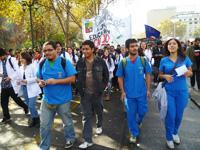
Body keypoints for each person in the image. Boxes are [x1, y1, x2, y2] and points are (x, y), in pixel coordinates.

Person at [37, 41, 76, 149]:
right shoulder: (42, 63)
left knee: (67, 123)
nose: (47, 52)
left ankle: (70, 138)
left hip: (63, 100)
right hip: (47, 100)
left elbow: (73, 78)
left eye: (50, 50)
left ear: (56, 50)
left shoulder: (64, 62)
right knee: (44, 126)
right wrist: (40, 82)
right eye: (45, 50)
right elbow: (38, 77)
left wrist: (55, 81)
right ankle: (44, 147)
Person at [158, 38, 193, 149]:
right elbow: (159, 74)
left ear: (178, 46)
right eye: (169, 44)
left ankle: (174, 133)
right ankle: (169, 137)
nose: (172, 45)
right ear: (167, 47)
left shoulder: (185, 58)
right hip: (169, 92)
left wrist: (188, 73)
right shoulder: (164, 60)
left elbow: (191, 72)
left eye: (174, 43)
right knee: (171, 115)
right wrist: (165, 76)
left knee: (179, 116)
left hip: (182, 91)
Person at [116, 39, 151, 143]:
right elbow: (120, 77)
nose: (135, 48)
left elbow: (148, 75)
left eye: (136, 46)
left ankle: (138, 122)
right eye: (132, 46)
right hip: (129, 95)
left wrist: (148, 89)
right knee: (131, 115)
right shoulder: (123, 62)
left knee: (142, 112)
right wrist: (122, 92)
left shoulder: (144, 60)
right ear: (127, 48)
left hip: (142, 93)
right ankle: (134, 133)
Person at [76, 40, 109, 149]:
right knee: (86, 116)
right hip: (85, 94)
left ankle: (99, 124)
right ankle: (88, 140)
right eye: (83, 49)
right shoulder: (80, 62)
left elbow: (106, 76)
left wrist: (101, 88)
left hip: (97, 93)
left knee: (99, 110)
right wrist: (79, 89)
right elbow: (77, 77)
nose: (84, 51)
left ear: (93, 49)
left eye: (87, 49)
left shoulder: (100, 61)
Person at [0, 48, 28, 124]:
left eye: (0, 56)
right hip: (3, 85)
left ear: (3, 55)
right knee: (3, 102)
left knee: (16, 100)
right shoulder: (0, 61)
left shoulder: (11, 60)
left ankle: (25, 107)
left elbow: (17, 71)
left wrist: (10, 77)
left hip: (11, 84)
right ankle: (7, 117)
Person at [19, 52, 41, 127]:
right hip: (24, 88)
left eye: (22, 58)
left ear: (26, 58)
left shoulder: (32, 66)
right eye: (20, 58)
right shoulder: (21, 67)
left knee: (31, 105)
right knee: (29, 105)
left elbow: (37, 78)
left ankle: (37, 119)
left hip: (33, 89)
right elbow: (20, 77)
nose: (20, 59)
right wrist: (19, 81)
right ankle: (34, 119)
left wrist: (27, 80)